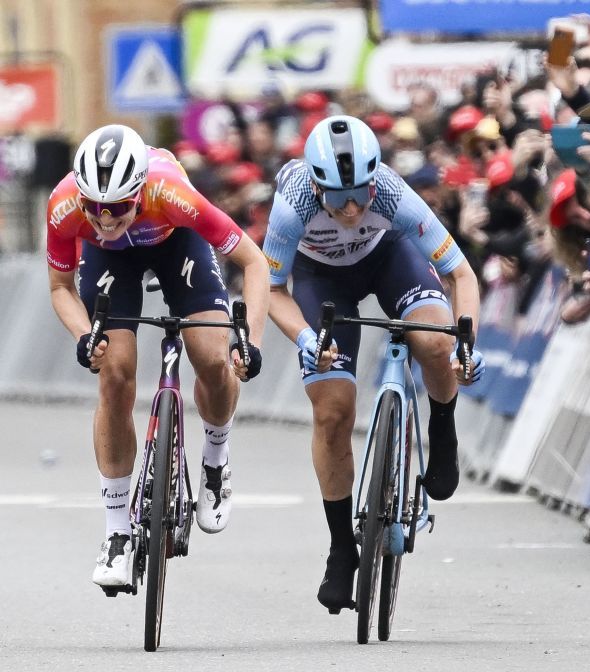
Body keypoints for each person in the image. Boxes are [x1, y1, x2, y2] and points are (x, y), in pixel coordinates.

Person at [262, 115, 484, 613]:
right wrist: (303, 338)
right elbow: (271, 289)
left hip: (388, 258)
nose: (353, 207)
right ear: (316, 185)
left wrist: (464, 343)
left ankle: (442, 428)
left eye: (360, 192)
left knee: (432, 340)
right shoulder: (292, 203)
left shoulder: (390, 193)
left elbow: (461, 274)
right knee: (332, 411)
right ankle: (343, 548)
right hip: (321, 277)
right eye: (338, 198)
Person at [46, 124, 270, 589]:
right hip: (109, 262)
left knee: (211, 355)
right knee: (114, 374)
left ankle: (215, 457)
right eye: (97, 210)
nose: (106, 220)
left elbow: (253, 262)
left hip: (176, 242)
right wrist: (84, 335)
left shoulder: (169, 191)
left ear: (139, 191)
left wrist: (250, 339)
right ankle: (116, 534)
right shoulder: (65, 205)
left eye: (118, 209)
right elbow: (59, 288)